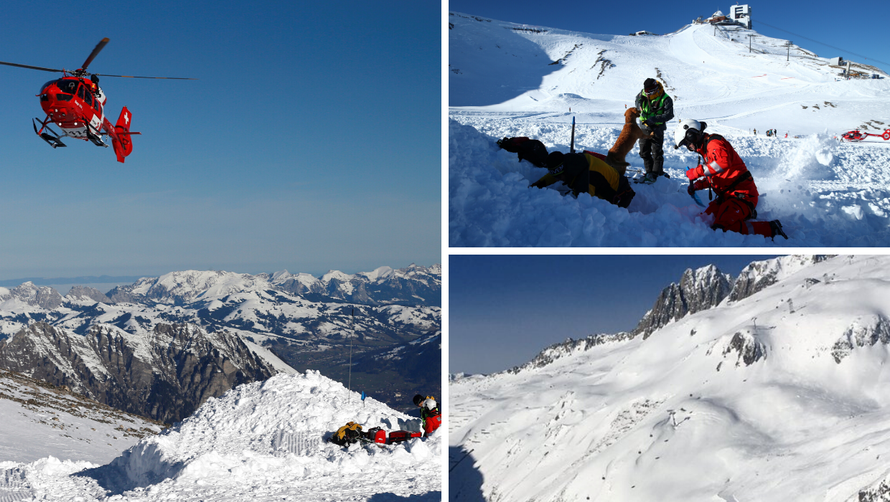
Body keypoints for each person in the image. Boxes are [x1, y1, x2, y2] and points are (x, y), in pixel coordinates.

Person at [674, 119, 787, 240]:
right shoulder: (706, 150)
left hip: (742, 196)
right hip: (727, 198)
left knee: (722, 228)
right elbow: (718, 176)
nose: (688, 147)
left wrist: (696, 172)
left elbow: (722, 163)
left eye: (687, 143)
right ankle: (742, 215)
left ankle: (771, 229)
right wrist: (698, 185)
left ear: (692, 135)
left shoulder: (714, 143)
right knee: (705, 219)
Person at [530, 151, 635, 208]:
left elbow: (585, 207)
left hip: (620, 196)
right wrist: (539, 183)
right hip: (611, 183)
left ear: (565, 171)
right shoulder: (571, 160)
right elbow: (554, 174)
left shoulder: (586, 181)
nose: (558, 180)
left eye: (559, 178)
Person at [635, 78, 674, 182]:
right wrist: (639, 105)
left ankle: (657, 174)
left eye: (651, 92)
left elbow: (669, 114)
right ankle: (649, 172)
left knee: (657, 153)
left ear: (656, 89)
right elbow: (637, 100)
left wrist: (655, 119)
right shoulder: (642, 94)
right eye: (647, 92)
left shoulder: (666, 99)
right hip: (644, 128)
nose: (648, 94)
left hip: (657, 128)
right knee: (644, 152)